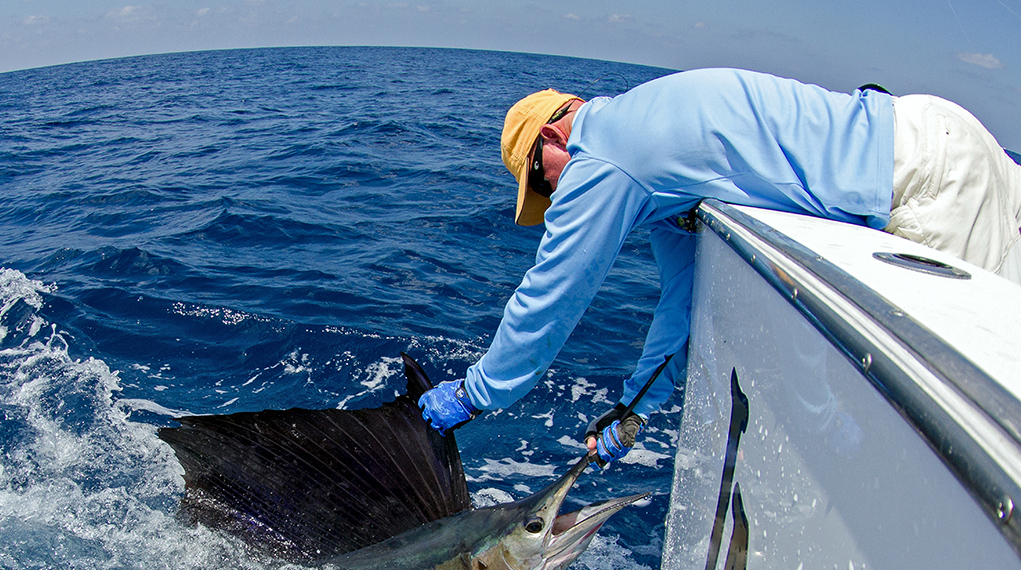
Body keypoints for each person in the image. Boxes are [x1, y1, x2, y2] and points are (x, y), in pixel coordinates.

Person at [418, 68, 1021, 464]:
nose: (550, 198)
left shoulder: (601, 158)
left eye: (539, 183)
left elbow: (549, 296)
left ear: (554, 136)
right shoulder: (651, 149)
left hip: (926, 184)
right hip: (934, 142)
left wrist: (475, 394)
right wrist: (635, 411)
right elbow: (681, 301)